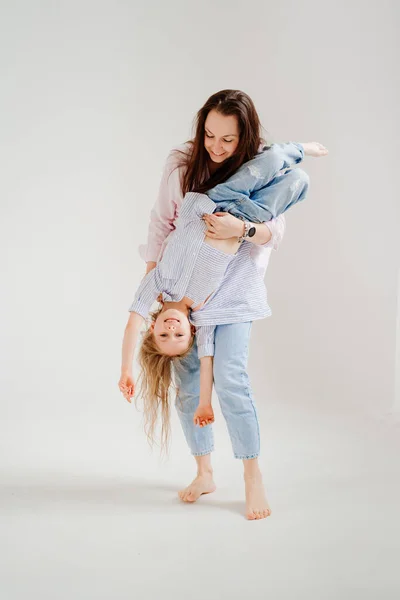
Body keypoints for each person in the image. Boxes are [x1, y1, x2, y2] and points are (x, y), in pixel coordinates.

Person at [119, 89, 328, 520]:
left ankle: (252, 475)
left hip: (235, 269)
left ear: (244, 138)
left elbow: (276, 232)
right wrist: (156, 289)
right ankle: (204, 471)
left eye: (227, 140)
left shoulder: (250, 164)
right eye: (209, 135)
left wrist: (244, 229)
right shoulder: (183, 164)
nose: (215, 147)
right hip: (205, 285)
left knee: (231, 380)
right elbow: (162, 222)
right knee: (190, 391)